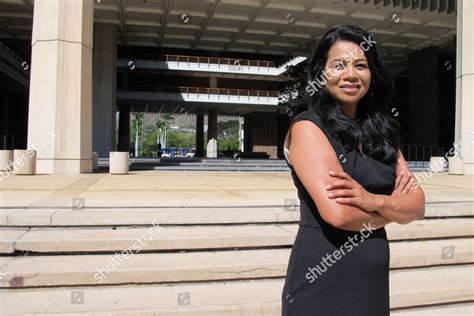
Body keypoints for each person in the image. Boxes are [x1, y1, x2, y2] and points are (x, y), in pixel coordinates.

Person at [281, 25, 425, 315]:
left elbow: (418, 205)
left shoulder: (382, 133)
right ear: (322, 74)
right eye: (339, 65)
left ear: (373, 75)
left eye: (361, 65)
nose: (350, 74)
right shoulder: (309, 128)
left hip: (371, 284)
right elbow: (340, 214)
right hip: (321, 279)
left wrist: (373, 201)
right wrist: (396, 211)